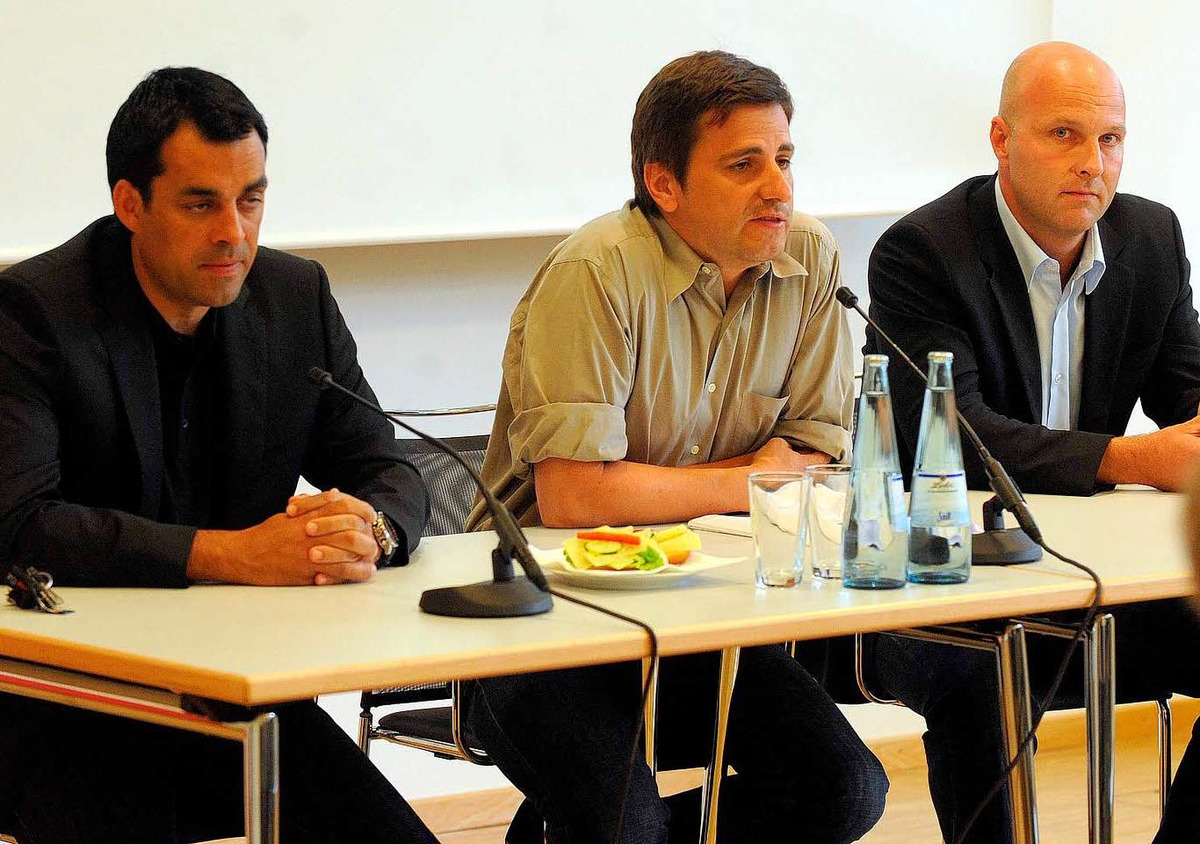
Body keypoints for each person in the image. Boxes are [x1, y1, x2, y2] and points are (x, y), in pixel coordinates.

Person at [0, 68, 436, 843]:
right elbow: (23, 525)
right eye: (201, 203)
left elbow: (388, 465)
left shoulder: (294, 298)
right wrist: (232, 554)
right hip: (69, 700)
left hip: (236, 690)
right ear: (129, 204)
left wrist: (369, 528)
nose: (233, 232)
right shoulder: (35, 312)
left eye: (251, 199)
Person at [464, 51, 887, 843]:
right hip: (538, 625)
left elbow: (813, 457)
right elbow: (577, 498)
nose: (780, 188)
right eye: (744, 165)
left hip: (701, 617)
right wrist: (746, 480)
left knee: (844, 790)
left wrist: (708, 481)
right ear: (665, 184)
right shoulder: (594, 272)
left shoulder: (810, 258)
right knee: (627, 825)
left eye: (785, 159)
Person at [865, 41, 1200, 843]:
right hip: (949, 594)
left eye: (1110, 139)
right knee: (984, 676)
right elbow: (948, 432)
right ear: (1001, 139)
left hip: (1101, 584)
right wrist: (1126, 458)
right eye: (1064, 135)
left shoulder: (1150, 236)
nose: (1093, 163)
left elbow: (1187, 391)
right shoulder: (922, 251)